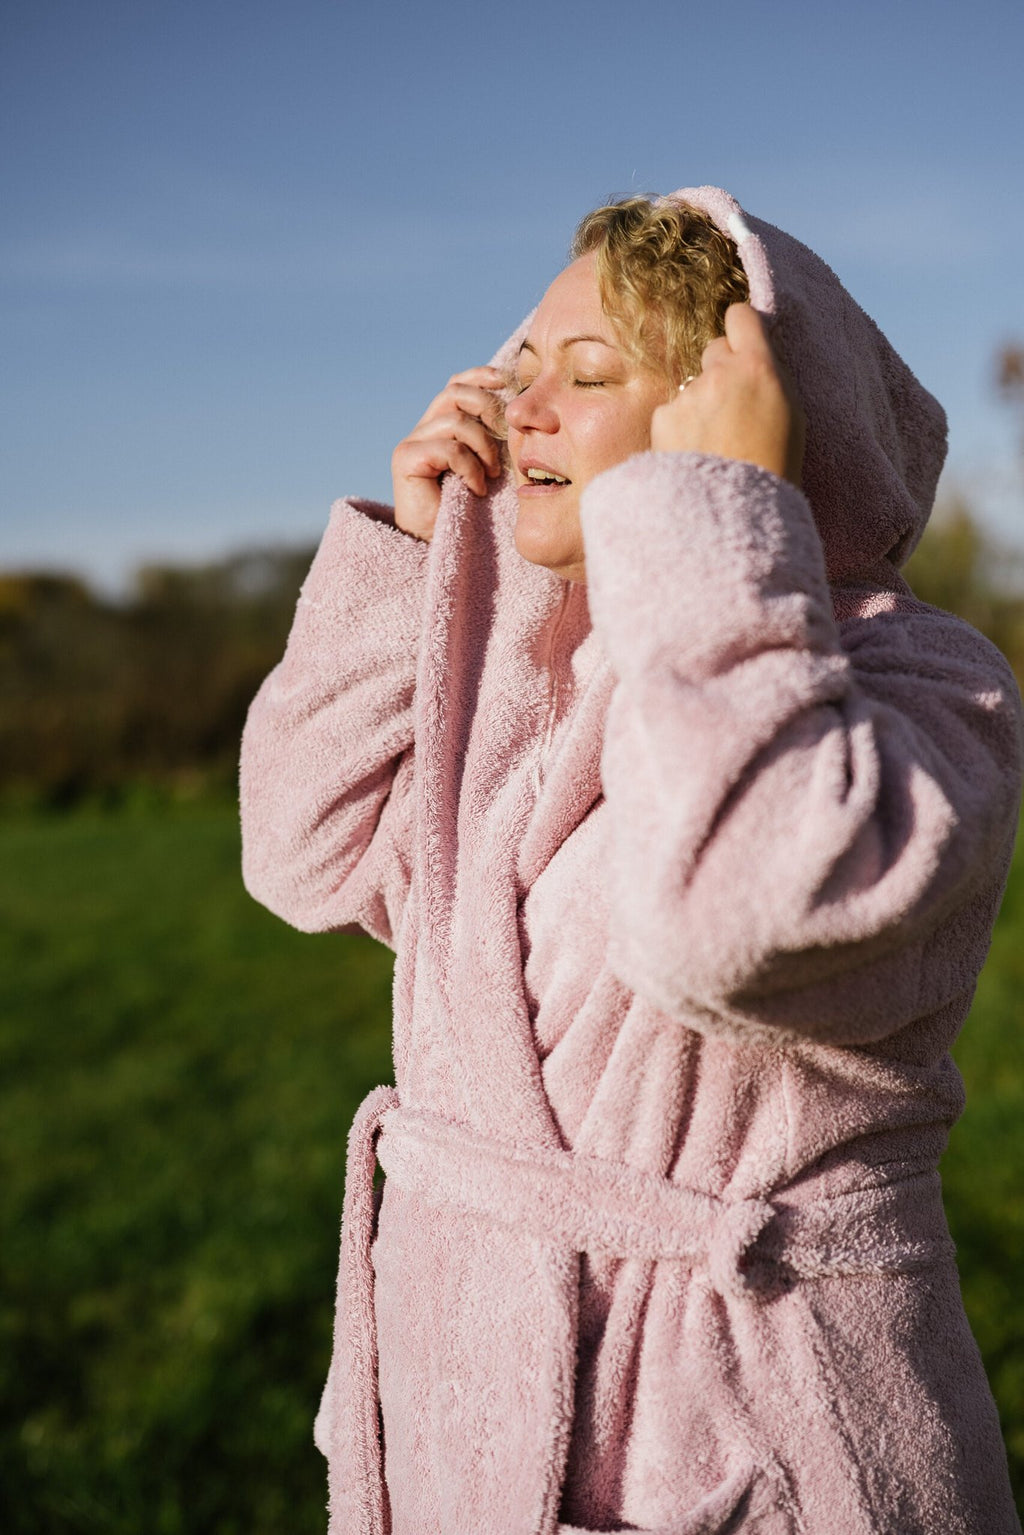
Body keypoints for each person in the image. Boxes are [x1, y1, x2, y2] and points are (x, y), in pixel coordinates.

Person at [239, 187, 1023, 1534]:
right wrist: (413, 566)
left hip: (742, 1435)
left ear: (750, 424)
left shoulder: (922, 678)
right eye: (518, 365)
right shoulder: (525, 693)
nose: (520, 406)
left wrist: (720, 515)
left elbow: (739, 913)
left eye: (587, 374)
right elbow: (301, 857)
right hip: (469, 1413)